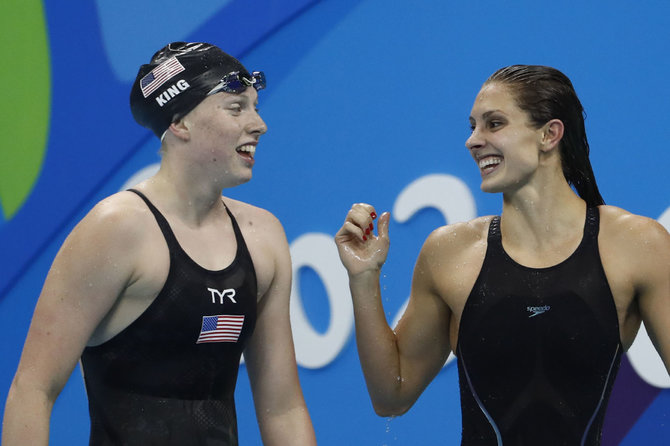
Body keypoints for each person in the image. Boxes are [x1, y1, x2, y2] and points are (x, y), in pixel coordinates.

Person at [335, 65, 670, 445]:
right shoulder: (450, 252)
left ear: (549, 134)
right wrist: (362, 279)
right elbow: (391, 395)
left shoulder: (635, 244)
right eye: (472, 126)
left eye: (494, 124)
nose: (472, 141)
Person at [3, 42, 316, 445]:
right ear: (180, 122)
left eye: (255, 107)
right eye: (236, 108)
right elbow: (32, 390)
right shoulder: (116, 229)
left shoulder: (263, 236)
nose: (259, 124)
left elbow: (283, 408)